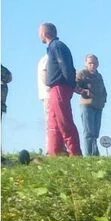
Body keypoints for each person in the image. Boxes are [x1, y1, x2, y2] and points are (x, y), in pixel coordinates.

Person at [40, 23, 82, 156]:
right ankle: (55, 153)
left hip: (60, 87)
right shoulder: (53, 47)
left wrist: (71, 85)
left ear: (45, 33)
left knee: (64, 120)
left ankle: (75, 152)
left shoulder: (56, 46)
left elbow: (65, 66)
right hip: (54, 89)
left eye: (40, 32)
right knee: (53, 122)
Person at [76, 54, 107, 156]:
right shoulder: (82, 74)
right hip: (87, 105)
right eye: (90, 63)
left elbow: (103, 89)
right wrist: (84, 91)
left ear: (97, 64)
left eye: (94, 63)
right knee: (88, 132)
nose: (92, 65)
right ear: (86, 63)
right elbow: (74, 85)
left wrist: (104, 100)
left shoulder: (99, 76)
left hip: (98, 106)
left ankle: (95, 153)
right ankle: (89, 155)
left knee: (95, 132)